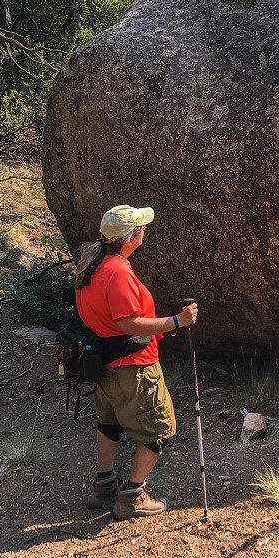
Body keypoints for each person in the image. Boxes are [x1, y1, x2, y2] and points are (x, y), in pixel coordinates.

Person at [74, 204, 198, 520]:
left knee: (110, 423)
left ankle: (104, 486)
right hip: (134, 368)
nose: (145, 230)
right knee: (160, 427)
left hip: (105, 366)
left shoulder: (93, 264)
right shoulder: (116, 272)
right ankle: (132, 497)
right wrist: (176, 322)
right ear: (131, 236)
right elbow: (129, 323)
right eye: (141, 227)